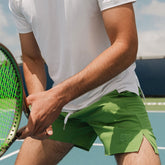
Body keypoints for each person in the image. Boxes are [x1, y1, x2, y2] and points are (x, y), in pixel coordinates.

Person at [9, 0, 161, 164]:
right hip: (63, 106)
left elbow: (126, 45)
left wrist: (57, 97)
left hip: (114, 94)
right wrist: (40, 107)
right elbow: (32, 57)